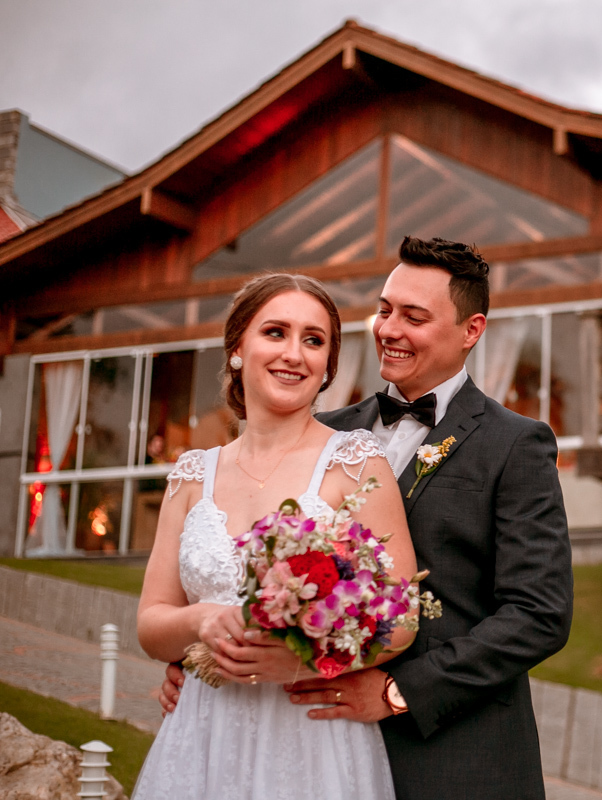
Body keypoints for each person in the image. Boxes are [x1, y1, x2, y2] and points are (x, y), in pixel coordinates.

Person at [158, 237, 574, 799]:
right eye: (384, 310)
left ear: (472, 330)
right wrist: (206, 661)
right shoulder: (325, 434)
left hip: (457, 754)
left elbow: (538, 613)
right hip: (314, 746)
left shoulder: (515, 443)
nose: (389, 329)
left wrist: (399, 691)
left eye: (414, 316)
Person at [135, 273, 416, 800]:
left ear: (327, 366)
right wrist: (201, 621)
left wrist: (307, 658)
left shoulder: (356, 465)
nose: (294, 354)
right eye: (275, 333)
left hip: (312, 733)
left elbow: (400, 619)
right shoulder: (192, 474)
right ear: (238, 347)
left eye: (314, 341)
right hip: (202, 735)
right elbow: (152, 624)